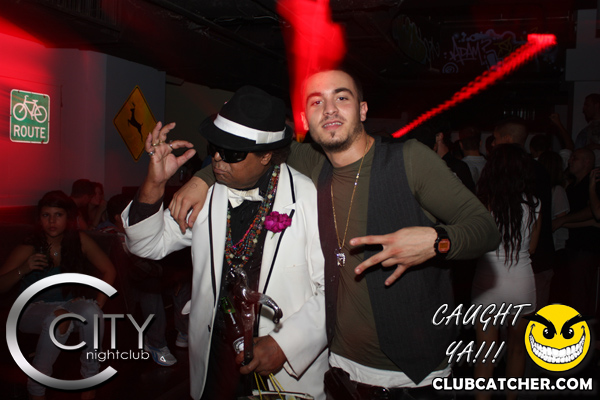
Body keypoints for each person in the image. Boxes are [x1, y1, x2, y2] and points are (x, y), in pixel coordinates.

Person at [172, 70, 500, 398]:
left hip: (409, 376)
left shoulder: (409, 160)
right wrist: (202, 178)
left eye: (341, 97)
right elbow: (245, 151)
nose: (329, 109)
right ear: (305, 120)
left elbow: (485, 229)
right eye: (317, 102)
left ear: (363, 110)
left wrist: (437, 241)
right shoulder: (311, 162)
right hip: (340, 367)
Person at [122, 86, 327, 400]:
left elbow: (333, 291)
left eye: (232, 153)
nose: (217, 158)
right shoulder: (205, 194)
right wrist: (155, 183)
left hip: (280, 367)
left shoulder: (308, 199)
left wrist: (285, 345)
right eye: (215, 147)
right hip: (214, 359)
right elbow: (146, 245)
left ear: (266, 156)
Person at [0, 190, 116, 400]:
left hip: (67, 305)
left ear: (68, 218)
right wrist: (23, 269)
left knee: (90, 311)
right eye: (46, 215)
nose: (52, 221)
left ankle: (89, 383)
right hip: (28, 309)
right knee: (61, 318)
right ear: (40, 219)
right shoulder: (30, 246)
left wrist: (97, 305)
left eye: (58, 215)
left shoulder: (79, 241)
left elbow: (109, 270)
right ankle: (36, 390)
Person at [471, 144, 541, 400]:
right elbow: (532, 248)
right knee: (517, 350)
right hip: (521, 281)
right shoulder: (533, 203)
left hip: (488, 280)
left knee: (485, 353)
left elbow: (474, 245)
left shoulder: (481, 203)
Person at [100, 194, 190, 366]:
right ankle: (156, 343)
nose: (138, 216)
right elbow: (142, 269)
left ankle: (184, 333)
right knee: (152, 287)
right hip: (125, 290)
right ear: (119, 217)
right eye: (133, 212)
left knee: (181, 282)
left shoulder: (106, 230)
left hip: (132, 283)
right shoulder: (116, 237)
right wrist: (172, 276)